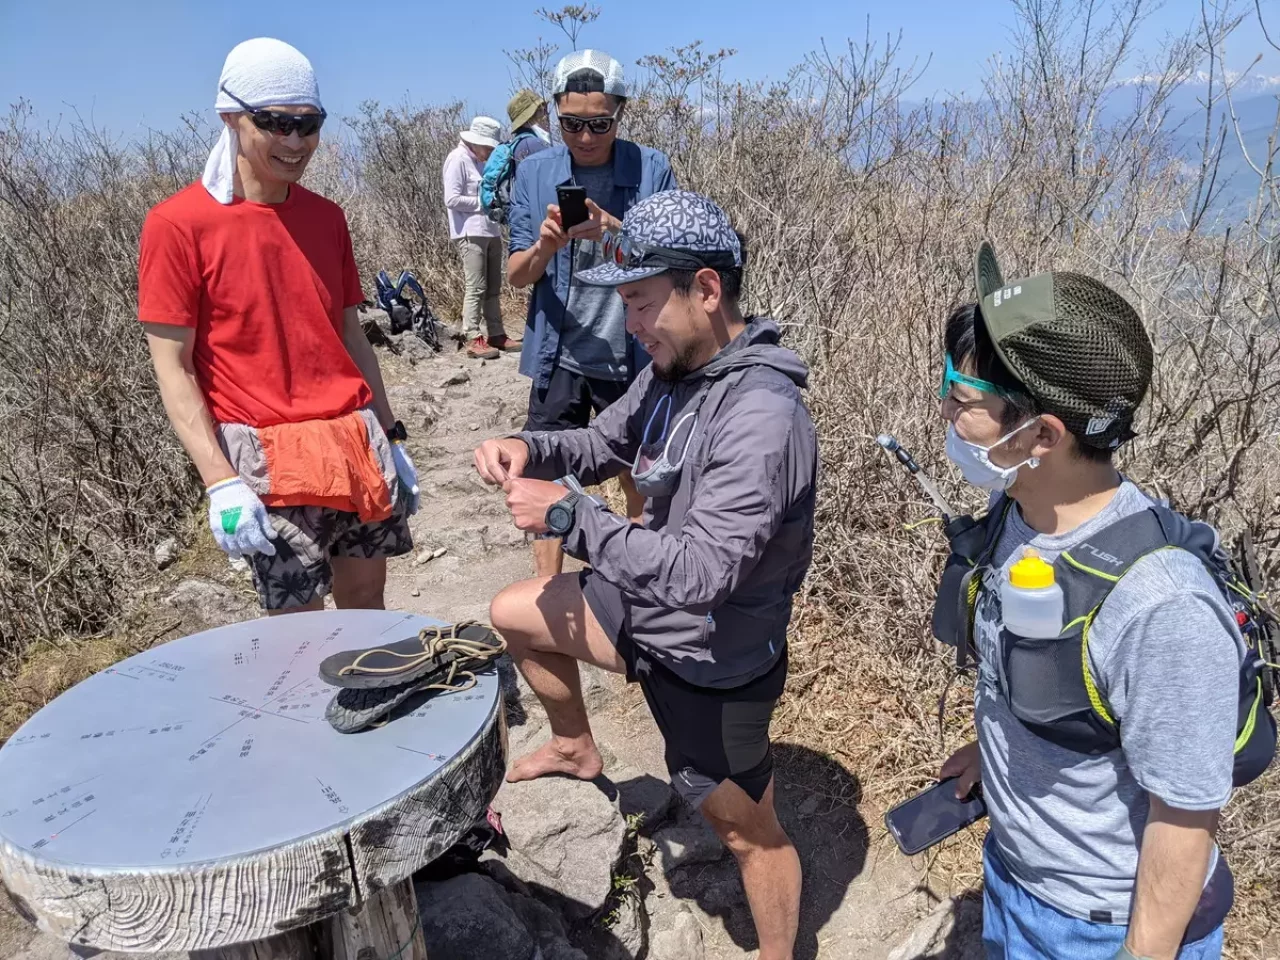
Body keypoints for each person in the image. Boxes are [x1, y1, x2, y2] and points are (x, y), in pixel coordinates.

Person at [476, 191, 816, 960]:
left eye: (640, 303)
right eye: (624, 305)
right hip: (642, 606)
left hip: (711, 656)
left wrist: (568, 518)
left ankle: (780, 953)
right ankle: (574, 748)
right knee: (514, 612)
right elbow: (601, 443)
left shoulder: (761, 416)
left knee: (747, 832)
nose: (629, 325)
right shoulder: (675, 368)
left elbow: (700, 575)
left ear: (705, 289)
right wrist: (528, 449)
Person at [934, 245, 1255, 959]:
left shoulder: (1160, 607)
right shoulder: (1017, 513)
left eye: (960, 401)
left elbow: (1185, 815)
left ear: (1040, 435)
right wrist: (1001, 752)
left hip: (1099, 928)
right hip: (1015, 884)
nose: (946, 415)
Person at [138, 38, 418, 615]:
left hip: (353, 442)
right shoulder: (178, 225)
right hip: (268, 462)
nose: (295, 141)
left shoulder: (326, 217)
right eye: (275, 123)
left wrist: (391, 435)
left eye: (308, 124)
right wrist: (219, 480)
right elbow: (172, 366)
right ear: (232, 116)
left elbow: (350, 336)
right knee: (297, 632)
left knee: (368, 604)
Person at [507, 49, 677, 577]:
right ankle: (546, 597)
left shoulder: (652, 169)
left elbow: (673, 261)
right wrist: (544, 248)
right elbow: (515, 275)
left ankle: (639, 584)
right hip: (560, 355)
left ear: (621, 113)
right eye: (571, 123)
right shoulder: (534, 173)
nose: (584, 136)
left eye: (598, 123)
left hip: (636, 356)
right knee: (547, 478)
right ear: (555, 112)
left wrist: (614, 229)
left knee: (641, 478)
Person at [444, 116, 518, 360]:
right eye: (487, 146)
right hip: (469, 231)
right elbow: (452, 199)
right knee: (476, 286)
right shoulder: (458, 159)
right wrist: (483, 204)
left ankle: (496, 333)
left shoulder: (481, 162)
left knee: (494, 287)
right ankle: (473, 336)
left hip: (490, 230)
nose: (489, 151)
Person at [506, 88, 552, 164]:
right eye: (541, 110)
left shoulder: (519, 144)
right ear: (529, 118)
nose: (545, 115)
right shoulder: (533, 144)